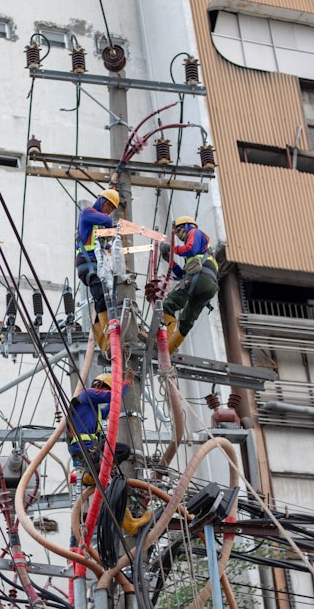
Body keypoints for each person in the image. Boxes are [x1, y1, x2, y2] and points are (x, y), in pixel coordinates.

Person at [66, 369, 151, 535]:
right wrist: (126, 382)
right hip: (83, 446)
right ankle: (130, 524)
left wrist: (119, 391)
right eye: (106, 389)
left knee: (123, 452)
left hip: (90, 448)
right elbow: (114, 396)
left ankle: (93, 473)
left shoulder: (95, 410)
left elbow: (112, 406)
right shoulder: (87, 394)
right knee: (110, 483)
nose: (106, 393)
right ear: (98, 386)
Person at [161, 216, 219, 354]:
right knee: (187, 320)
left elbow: (190, 249)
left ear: (187, 226)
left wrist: (172, 248)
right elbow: (183, 275)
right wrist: (170, 261)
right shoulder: (199, 254)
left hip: (199, 279)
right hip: (207, 286)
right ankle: (169, 350)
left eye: (180, 231)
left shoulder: (194, 233)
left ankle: (163, 340)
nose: (180, 235)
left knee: (169, 303)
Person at [75, 189, 120, 354]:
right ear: (101, 200)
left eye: (112, 208)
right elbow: (107, 220)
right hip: (88, 264)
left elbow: (101, 244)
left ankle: (106, 341)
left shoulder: (97, 224)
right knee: (101, 295)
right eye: (109, 205)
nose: (109, 210)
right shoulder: (88, 213)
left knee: (104, 298)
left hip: (96, 264)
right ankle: (109, 340)